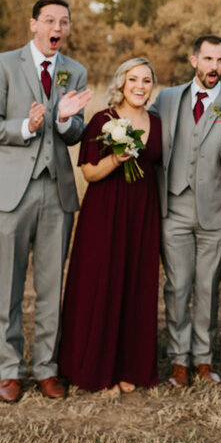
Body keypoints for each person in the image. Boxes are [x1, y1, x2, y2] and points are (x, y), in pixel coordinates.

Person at [0, 0, 92, 403]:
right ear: (34, 24)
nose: (58, 27)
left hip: (57, 190)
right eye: (50, 20)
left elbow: (75, 135)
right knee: (7, 287)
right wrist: (27, 124)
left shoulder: (76, 71)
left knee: (52, 286)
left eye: (65, 22)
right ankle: (9, 369)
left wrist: (66, 119)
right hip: (12, 190)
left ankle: (46, 369)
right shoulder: (5, 64)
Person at [149, 34, 221, 388]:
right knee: (177, 285)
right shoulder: (166, 98)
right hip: (172, 208)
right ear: (194, 61)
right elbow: (146, 134)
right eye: (208, 59)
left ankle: (204, 358)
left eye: (220, 60)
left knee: (208, 286)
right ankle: (179, 358)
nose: (214, 67)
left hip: (215, 214)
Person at [58, 58, 162, 394]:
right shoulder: (103, 120)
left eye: (146, 80)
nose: (140, 86)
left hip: (143, 213)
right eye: (133, 79)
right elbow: (88, 172)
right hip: (106, 212)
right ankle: (96, 368)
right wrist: (116, 158)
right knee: (101, 283)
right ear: (121, 82)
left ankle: (128, 365)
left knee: (135, 284)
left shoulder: (157, 123)